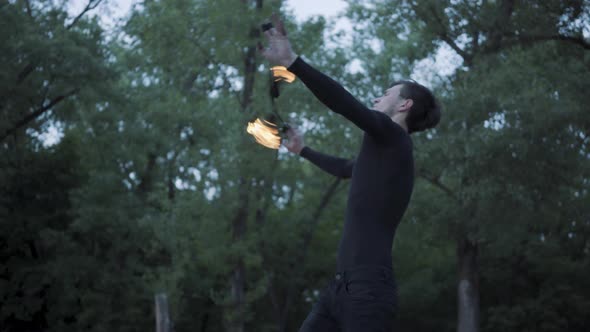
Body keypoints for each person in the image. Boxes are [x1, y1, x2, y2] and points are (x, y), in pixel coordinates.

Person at [260, 15, 441, 332]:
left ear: (404, 105)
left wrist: (291, 61)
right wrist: (303, 150)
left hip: (368, 290)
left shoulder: (394, 138)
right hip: (340, 289)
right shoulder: (384, 152)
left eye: (385, 94)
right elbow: (348, 169)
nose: (376, 98)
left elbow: (345, 104)